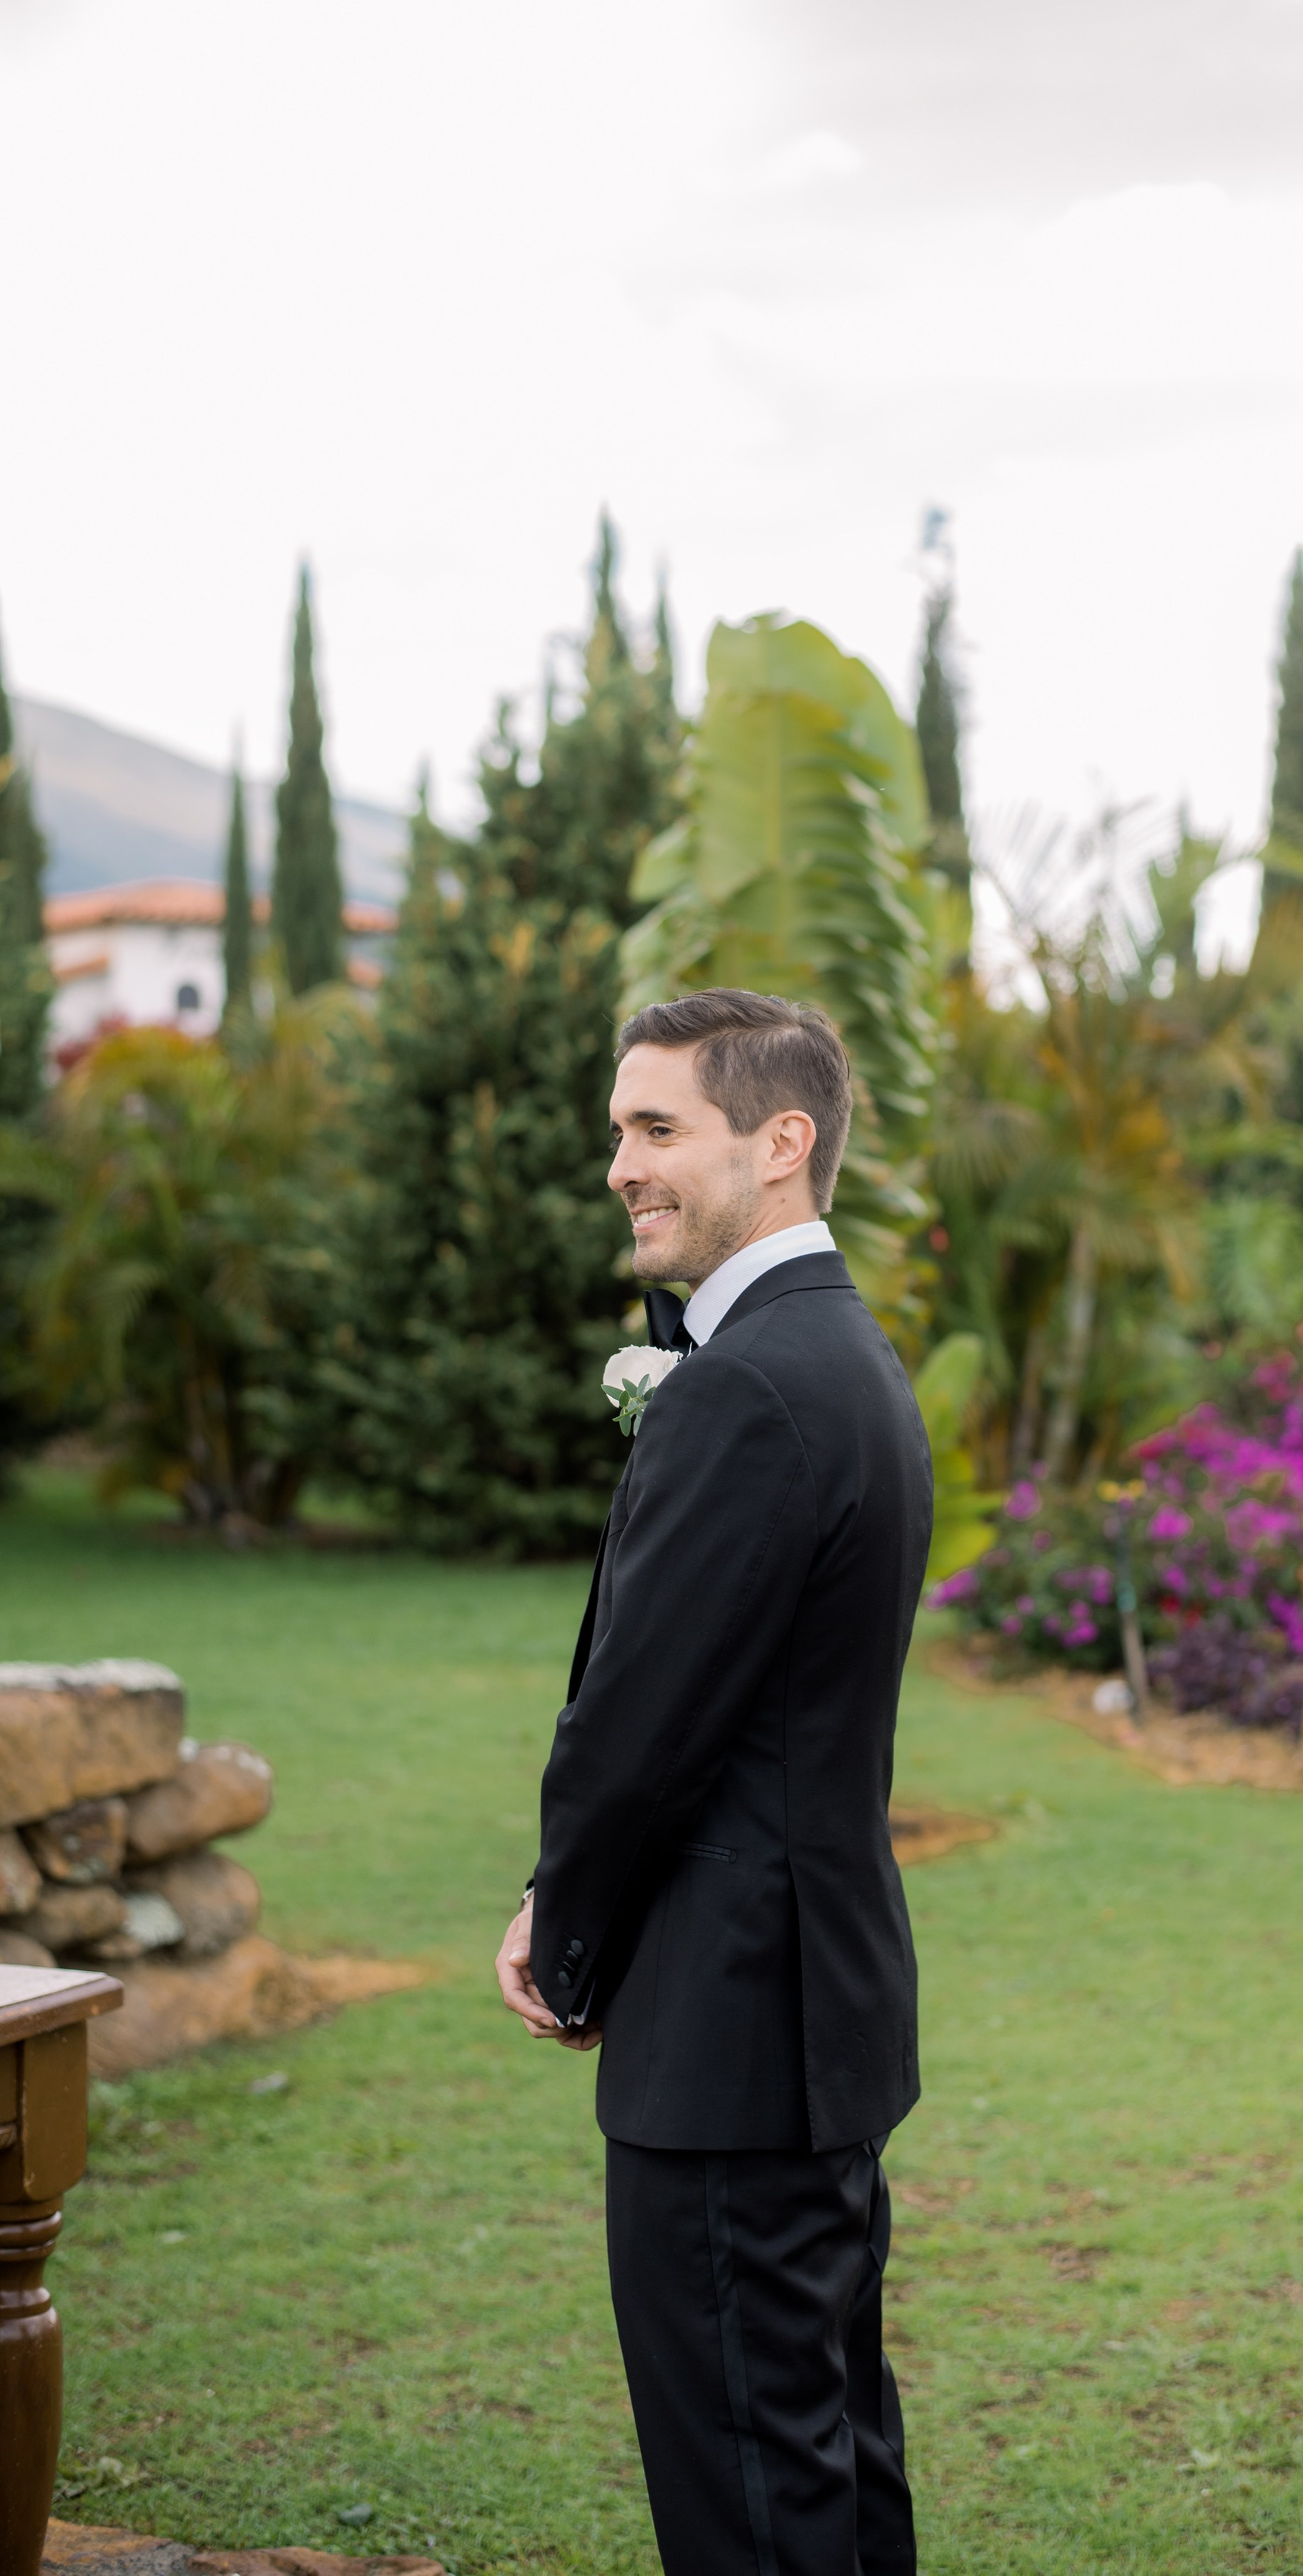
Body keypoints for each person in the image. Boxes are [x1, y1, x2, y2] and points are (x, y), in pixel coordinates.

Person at [495, 987, 933, 2576]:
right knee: (823, 2457)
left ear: (781, 1140)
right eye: (621, 1128)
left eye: (656, 1127)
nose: (620, 1161)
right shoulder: (846, 1357)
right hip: (815, 2014)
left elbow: (639, 1730)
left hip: (731, 2031)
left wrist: (565, 1935)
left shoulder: (748, 1387)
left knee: (748, 2493)